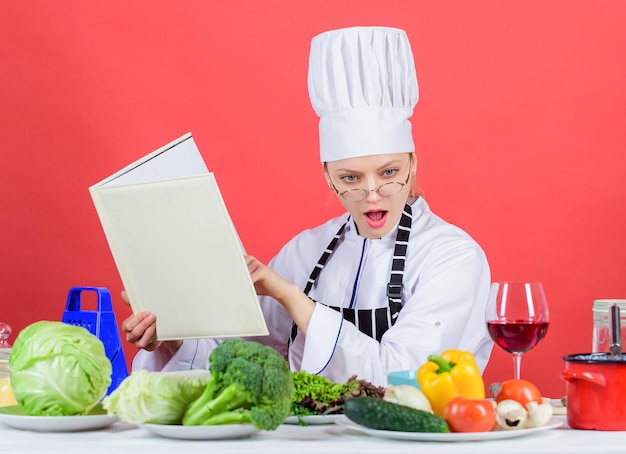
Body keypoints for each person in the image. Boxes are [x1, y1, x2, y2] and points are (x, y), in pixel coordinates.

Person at [122, 26, 493, 386]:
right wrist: (170, 336)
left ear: (413, 163)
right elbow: (242, 364)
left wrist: (291, 297)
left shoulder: (452, 256)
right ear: (328, 175)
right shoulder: (305, 251)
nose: (372, 192)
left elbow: (403, 380)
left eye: (389, 172)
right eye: (351, 178)